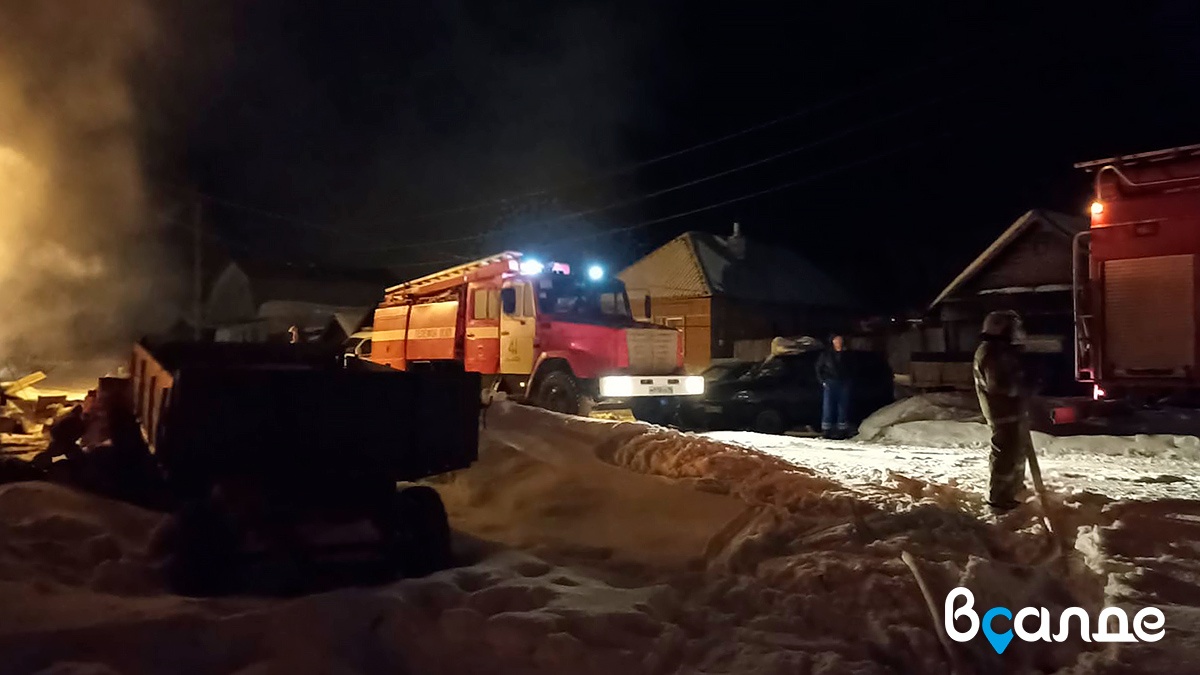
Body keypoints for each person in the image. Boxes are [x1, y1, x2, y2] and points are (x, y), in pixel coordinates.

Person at [973, 310, 1033, 513]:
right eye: (1013, 328)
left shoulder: (1000, 350)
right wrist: (1023, 388)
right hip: (1002, 413)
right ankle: (998, 499)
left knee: (1015, 452)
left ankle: (1012, 491)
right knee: (1005, 455)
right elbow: (998, 385)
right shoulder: (991, 352)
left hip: (1011, 412)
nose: (1018, 332)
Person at [816, 334, 852, 439]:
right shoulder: (826, 355)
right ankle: (827, 430)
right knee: (828, 406)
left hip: (843, 383)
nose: (838, 342)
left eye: (840, 340)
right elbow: (818, 368)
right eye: (836, 340)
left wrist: (849, 380)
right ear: (832, 342)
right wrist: (823, 381)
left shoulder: (847, 354)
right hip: (830, 382)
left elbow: (853, 367)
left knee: (843, 406)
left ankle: (842, 429)